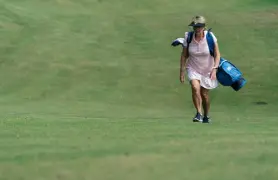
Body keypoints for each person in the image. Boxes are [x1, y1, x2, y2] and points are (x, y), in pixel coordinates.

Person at [179, 15, 221, 123]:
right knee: (195, 87)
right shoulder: (188, 37)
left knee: (205, 95)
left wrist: (215, 69)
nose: (196, 29)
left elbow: (217, 55)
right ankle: (199, 113)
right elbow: (184, 55)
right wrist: (182, 71)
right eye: (194, 27)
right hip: (193, 68)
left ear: (203, 27)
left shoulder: (210, 37)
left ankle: (206, 115)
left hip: (208, 69)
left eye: (199, 27)